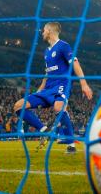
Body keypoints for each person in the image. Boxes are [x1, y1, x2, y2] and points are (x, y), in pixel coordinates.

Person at [12, 22, 93, 153]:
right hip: (47, 88)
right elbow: (47, 72)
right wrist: (40, 89)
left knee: (58, 107)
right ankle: (44, 130)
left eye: (44, 30)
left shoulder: (64, 46)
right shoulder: (47, 51)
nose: (42, 32)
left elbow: (75, 64)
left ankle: (71, 144)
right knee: (18, 106)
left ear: (49, 31)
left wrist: (84, 84)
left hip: (62, 84)